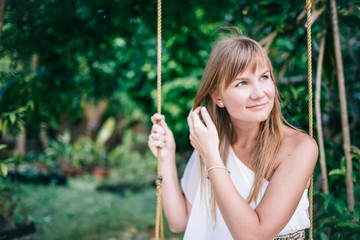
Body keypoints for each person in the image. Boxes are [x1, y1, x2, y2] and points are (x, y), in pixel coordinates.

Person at [148, 34, 318, 240]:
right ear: (218, 96)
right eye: (242, 83)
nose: (259, 93)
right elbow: (179, 221)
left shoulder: (299, 148)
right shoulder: (213, 142)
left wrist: (212, 158)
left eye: (264, 77)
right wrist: (166, 156)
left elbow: (254, 236)